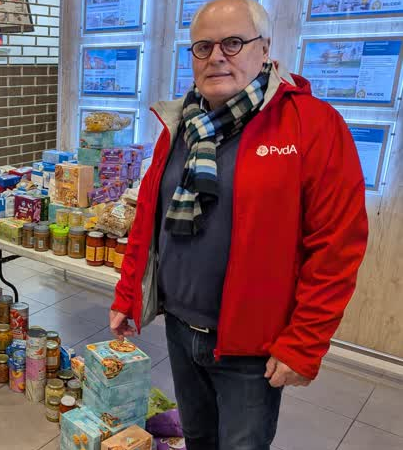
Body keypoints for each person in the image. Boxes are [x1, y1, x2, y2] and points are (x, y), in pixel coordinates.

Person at [108, 1, 368, 449]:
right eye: (203, 46)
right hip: (180, 329)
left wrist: (304, 344)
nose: (217, 57)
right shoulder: (180, 126)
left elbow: (336, 249)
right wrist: (129, 293)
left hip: (251, 351)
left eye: (233, 42)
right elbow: (149, 224)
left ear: (264, 49)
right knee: (198, 439)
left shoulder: (314, 125)